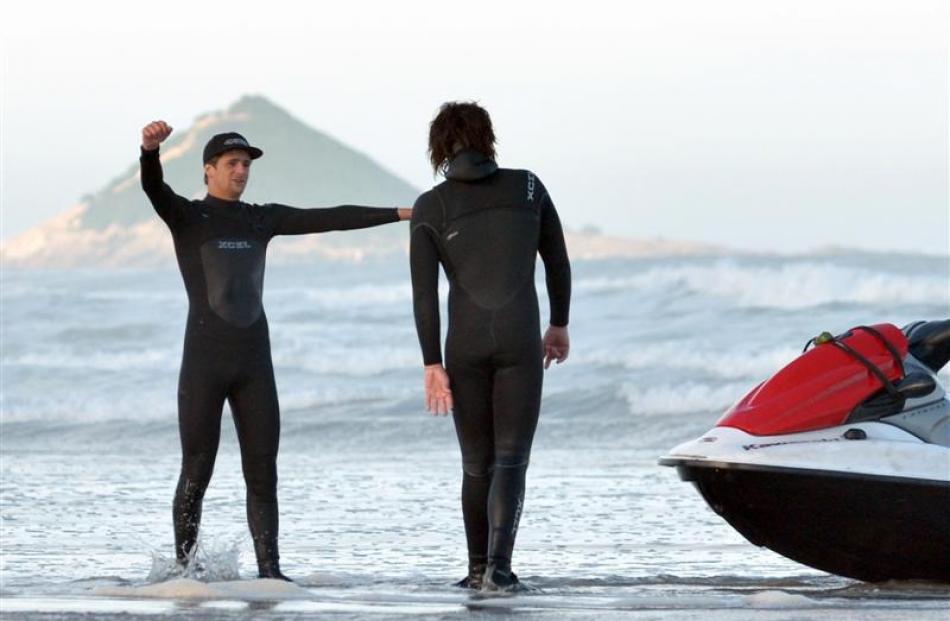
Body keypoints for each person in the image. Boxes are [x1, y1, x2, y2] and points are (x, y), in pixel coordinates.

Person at [139, 120, 410, 581]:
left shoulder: (260, 218)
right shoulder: (187, 217)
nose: (242, 171)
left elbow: (330, 217)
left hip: (253, 365)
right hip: (205, 362)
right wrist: (149, 151)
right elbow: (153, 187)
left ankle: (271, 574)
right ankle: (183, 573)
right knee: (196, 472)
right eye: (232, 163)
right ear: (209, 170)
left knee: (263, 472)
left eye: (246, 164)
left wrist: (403, 212)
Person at [409, 102, 572, 591]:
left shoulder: (430, 205)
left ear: (439, 148)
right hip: (521, 340)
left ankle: (477, 568)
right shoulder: (527, 185)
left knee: (475, 464)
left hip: (464, 345)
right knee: (511, 460)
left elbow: (424, 294)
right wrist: (558, 324)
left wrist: (431, 363)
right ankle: (500, 570)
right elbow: (557, 260)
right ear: (487, 139)